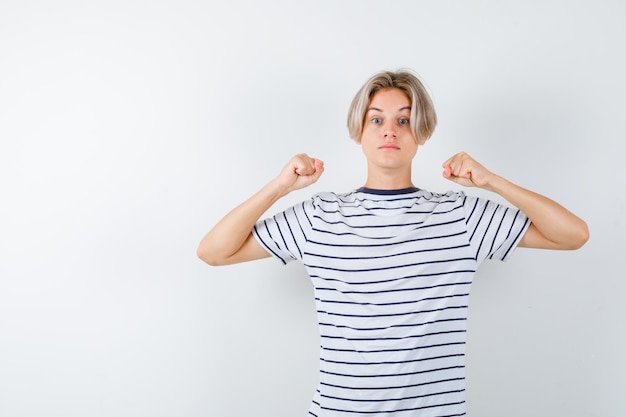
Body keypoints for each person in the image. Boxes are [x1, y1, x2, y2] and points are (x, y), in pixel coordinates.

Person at [197, 69, 589, 416]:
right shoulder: (319, 217)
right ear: (359, 132)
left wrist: (491, 181)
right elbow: (214, 252)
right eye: (377, 120)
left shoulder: (462, 216)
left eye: (404, 120)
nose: (390, 130)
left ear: (421, 133)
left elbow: (573, 235)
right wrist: (279, 187)